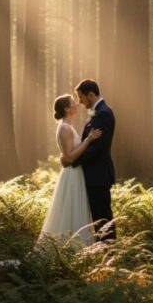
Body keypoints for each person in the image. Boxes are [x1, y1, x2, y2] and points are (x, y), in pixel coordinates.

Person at [38, 94, 102, 247]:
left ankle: (75, 248)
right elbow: (70, 157)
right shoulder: (65, 128)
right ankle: (72, 248)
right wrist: (88, 139)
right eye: (73, 103)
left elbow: (66, 156)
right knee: (72, 210)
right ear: (67, 109)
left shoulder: (67, 126)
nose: (77, 104)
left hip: (75, 173)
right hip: (73, 175)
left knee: (74, 210)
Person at [61, 79, 116, 241]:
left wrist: (73, 160)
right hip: (93, 175)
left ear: (90, 95)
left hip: (99, 175)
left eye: (81, 97)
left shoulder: (104, 113)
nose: (79, 102)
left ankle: (109, 251)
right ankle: (103, 250)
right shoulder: (96, 112)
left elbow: (98, 147)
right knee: (98, 217)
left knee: (103, 217)